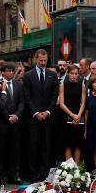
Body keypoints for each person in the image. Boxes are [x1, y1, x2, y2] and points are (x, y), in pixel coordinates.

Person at [23, 49, 59, 181]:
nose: (43, 63)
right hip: (33, 117)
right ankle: (33, 174)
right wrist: (36, 112)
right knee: (33, 146)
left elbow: (54, 96)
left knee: (46, 146)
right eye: (41, 61)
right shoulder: (28, 75)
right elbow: (26, 96)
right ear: (35, 59)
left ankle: (45, 174)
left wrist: (48, 112)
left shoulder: (52, 75)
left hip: (48, 117)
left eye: (45, 60)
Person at [0, 63, 24, 184]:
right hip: (3, 122)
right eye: (8, 71)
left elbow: (21, 102)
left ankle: (14, 174)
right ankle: (2, 175)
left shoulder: (18, 84)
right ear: (2, 72)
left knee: (15, 149)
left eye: (12, 71)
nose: (11, 73)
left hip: (15, 121)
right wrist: (7, 117)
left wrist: (17, 115)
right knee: (2, 148)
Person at [59, 64, 85, 163]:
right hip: (66, 115)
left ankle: (77, 169)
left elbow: (83, 102)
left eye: (76, 74)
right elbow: (61, 103)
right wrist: (72, 115)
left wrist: (78, 115)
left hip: (79, 116)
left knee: (78, 144)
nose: (74, 75)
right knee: (68, 144)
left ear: (78, 75)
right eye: (72, 73)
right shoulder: (63, 85)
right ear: (68, 74)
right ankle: (69, 169)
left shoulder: (81, 85)